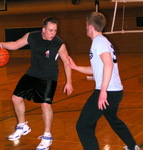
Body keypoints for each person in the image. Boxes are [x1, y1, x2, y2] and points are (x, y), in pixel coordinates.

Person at [68, 12, 140, 150]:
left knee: (83, 126)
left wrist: (102, 91)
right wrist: (75, 67)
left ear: (90, 27)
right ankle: (133, 146)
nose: (85, 28)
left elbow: (108, 64)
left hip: (108, 92)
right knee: (113, 119)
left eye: (85, 25)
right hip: (115, 91)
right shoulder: (103, 41)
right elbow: (97, 69)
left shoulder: (98, 41)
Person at [0, 17, 73, 150]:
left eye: (55, 30)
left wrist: (69, 82)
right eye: (50, 30)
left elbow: (67, 62)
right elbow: (16, 45)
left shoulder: (59, 44)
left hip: (49, 77)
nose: (53, 33)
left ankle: (47, 136)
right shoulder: (31, 36)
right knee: (15, 98)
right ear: (43, 30)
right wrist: (2, 44)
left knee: (45, 105)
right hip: (32, 73)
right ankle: (22, 126)